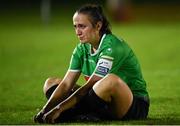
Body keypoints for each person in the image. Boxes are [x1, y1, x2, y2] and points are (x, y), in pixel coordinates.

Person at [34, 4, 150, 124]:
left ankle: (71, 114)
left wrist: (59, 108)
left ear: (98, 26)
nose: (77, 32)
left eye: (82, 26)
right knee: (51, 83)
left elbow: (91, 85)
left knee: (110, 81)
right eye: (75, 27)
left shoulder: (112, 47)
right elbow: (66, 84)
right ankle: (86, 114)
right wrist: (45, 110)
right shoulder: (81, 49)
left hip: (133, 104)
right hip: (102, 100)